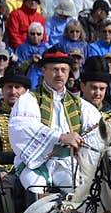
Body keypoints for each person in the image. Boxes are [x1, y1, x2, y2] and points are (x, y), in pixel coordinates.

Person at [8, 47, 103, 196]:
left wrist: (82, 144)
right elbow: (22, 127)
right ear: (43, 71)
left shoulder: (80, 104)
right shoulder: (29, 99)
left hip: (68, 164)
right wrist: (61, 137)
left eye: (64, 70)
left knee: (84, 192)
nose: (60, 74)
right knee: (35, 189)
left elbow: (97, 135)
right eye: (55, 69)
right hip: (36, 164)